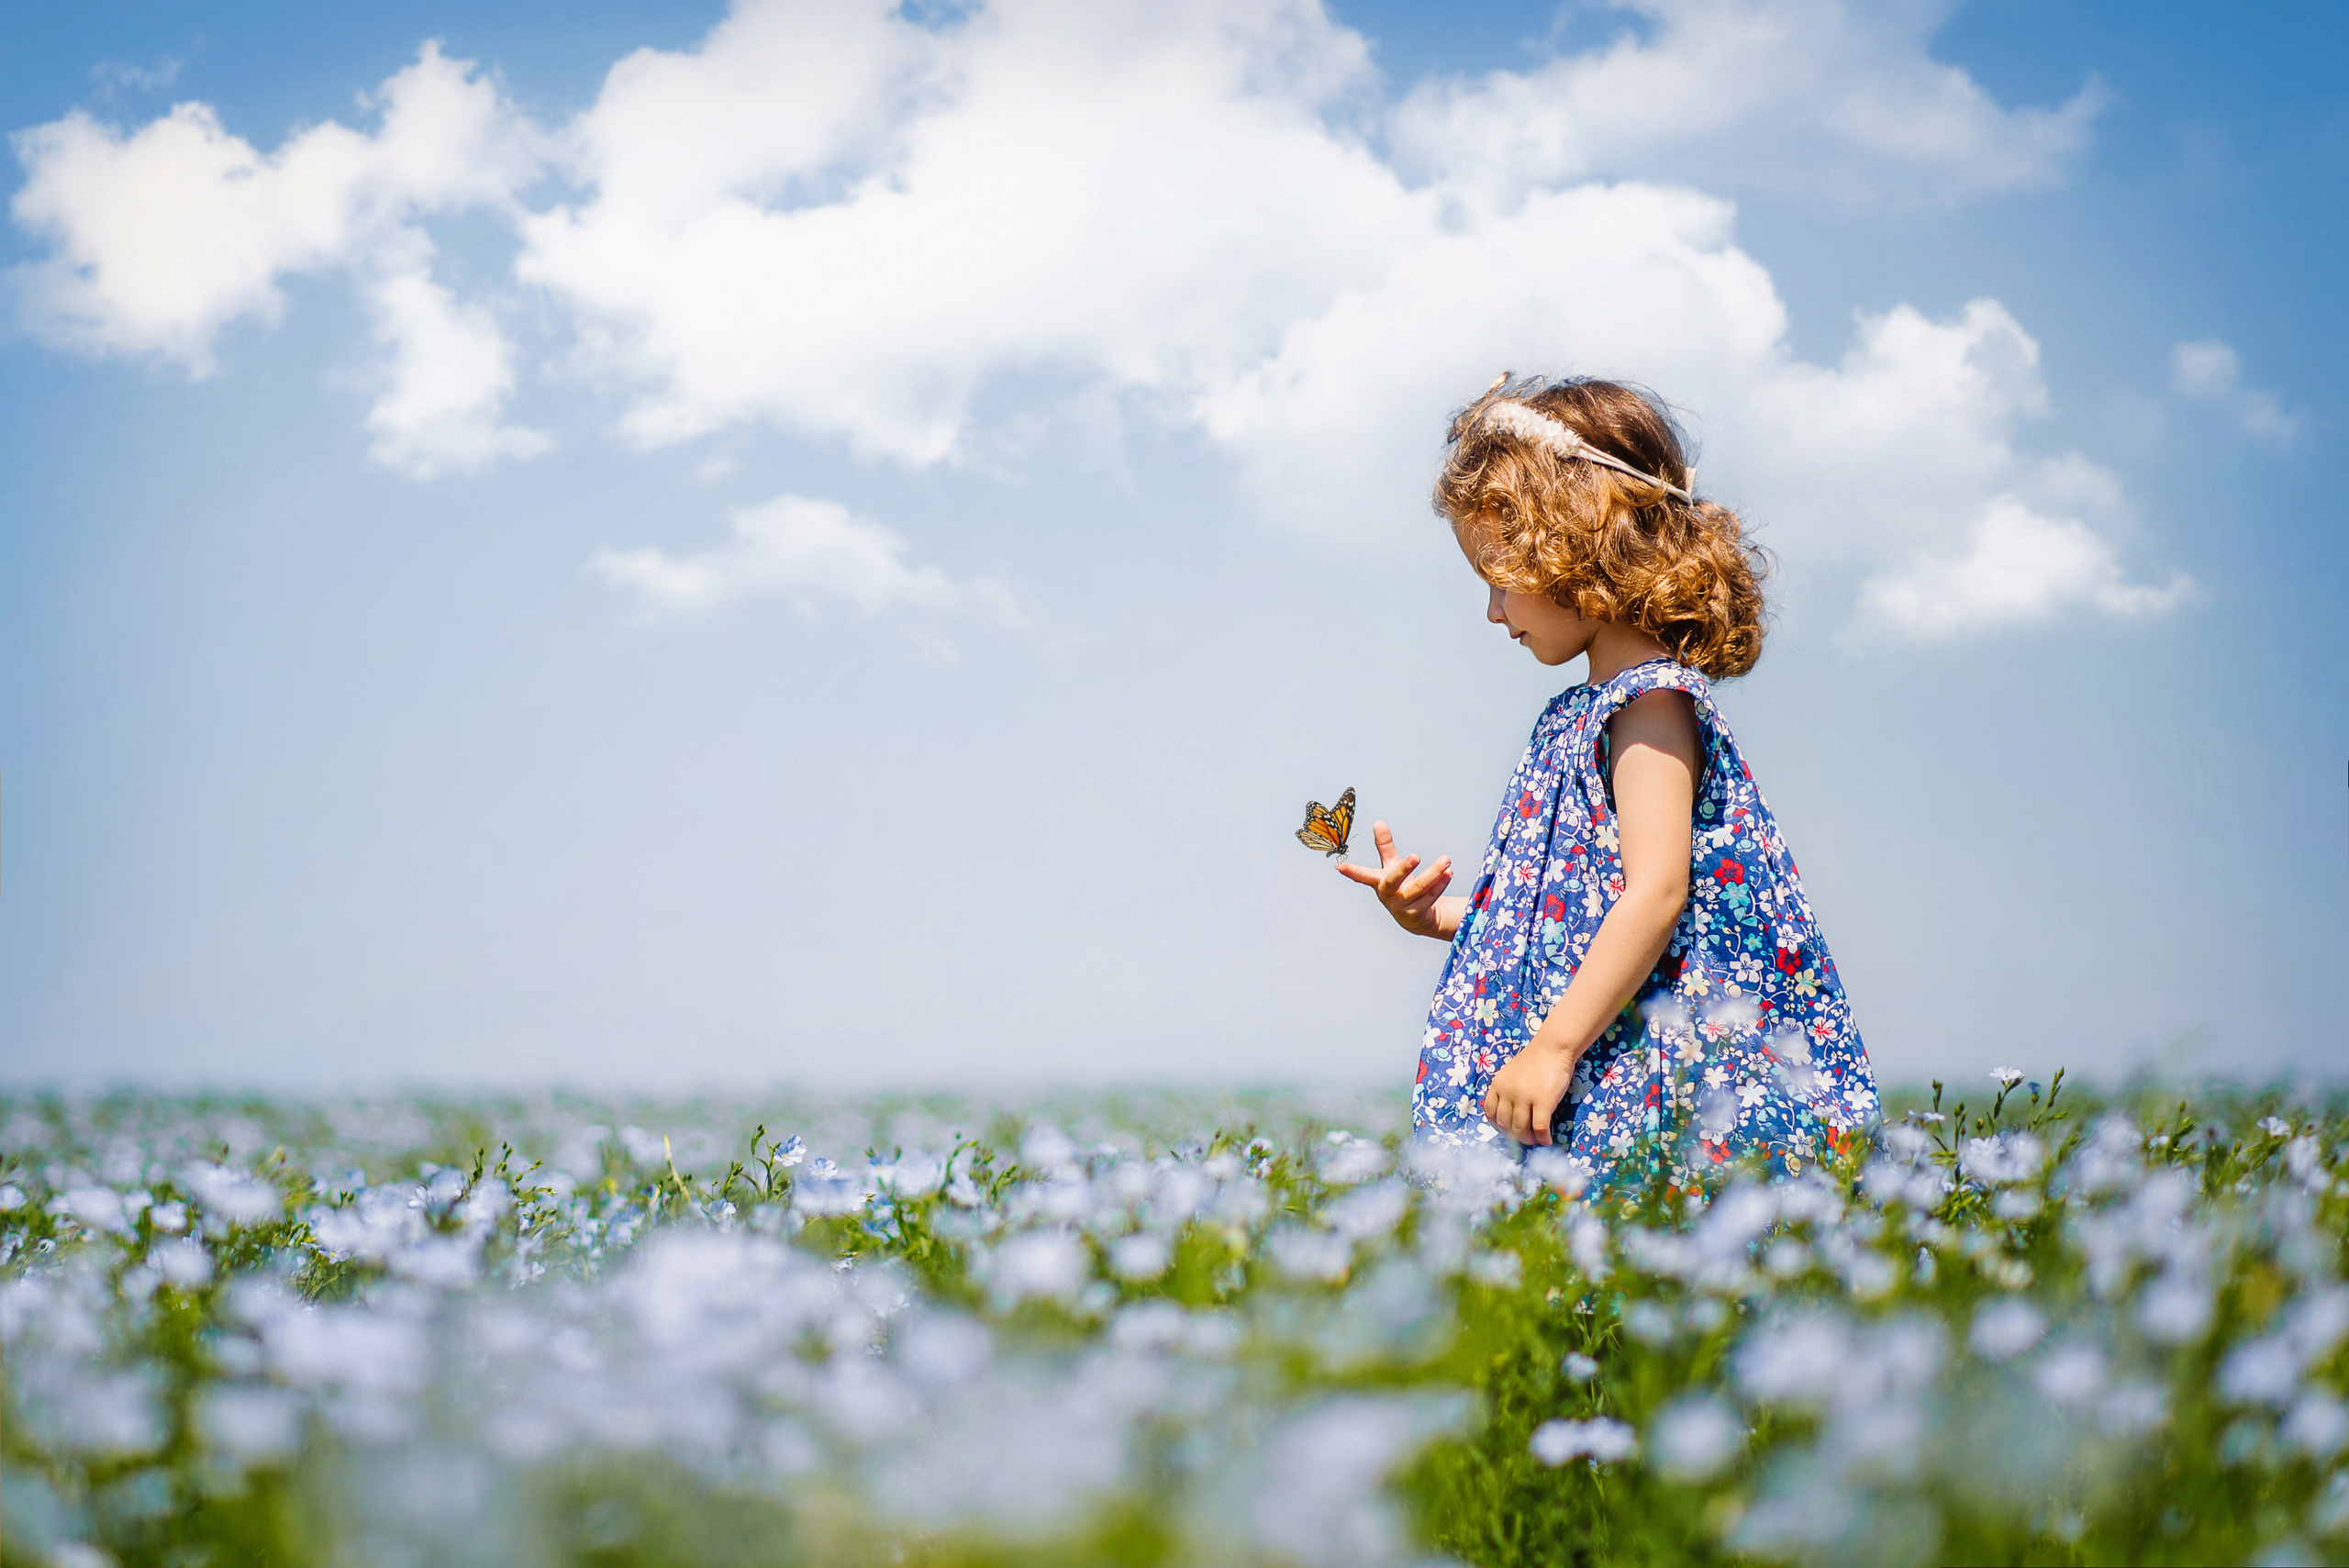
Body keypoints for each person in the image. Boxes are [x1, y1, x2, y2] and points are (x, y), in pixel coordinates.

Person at [1339, 374, 1878, 1193]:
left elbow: (1657, 893)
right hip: (1604, 1057)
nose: (1493, 610)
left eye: (1500, 576)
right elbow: (1567, 912)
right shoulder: (1579, 715)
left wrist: (1554, 1047)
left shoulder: (1649, 704)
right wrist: (1440, 917)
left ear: (1576, 543)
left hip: (1638, 1065)